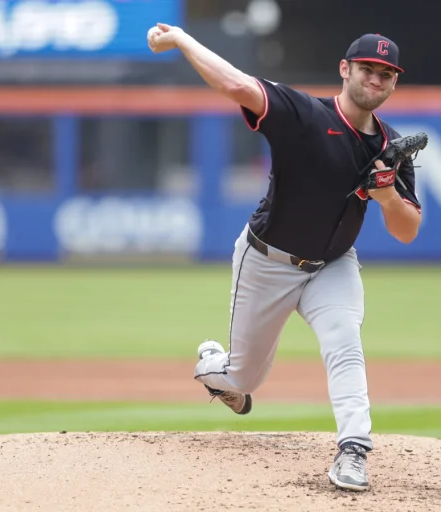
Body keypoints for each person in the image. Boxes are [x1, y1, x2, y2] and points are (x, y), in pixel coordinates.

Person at [147, 23, 423, 492]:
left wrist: (387, 197)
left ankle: (353, 450)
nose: (376, 80)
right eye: (367, 69)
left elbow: (407, 231)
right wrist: (180, 39)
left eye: (386, 73)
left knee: (344, 341)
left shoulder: (390, 150)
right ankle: (215, 365)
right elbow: (236, 84)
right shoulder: (305, 114)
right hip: (267, 261)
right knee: (243, 377)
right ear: (345, 69)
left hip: (332, 264)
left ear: (395, 82)